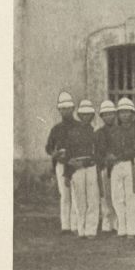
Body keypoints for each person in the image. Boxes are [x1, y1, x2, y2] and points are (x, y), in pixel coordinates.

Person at [104, 97, 135, 238]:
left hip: (129, 164)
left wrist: (118, 156)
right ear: (118, 114)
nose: (125, 115)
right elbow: (108, 147)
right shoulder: (113, 131)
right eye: (122, 112)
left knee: (132, 196)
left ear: (132, 114)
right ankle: (122, 227)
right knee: (117, 196)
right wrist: (109, 156)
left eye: (127, 112)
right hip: (116, 166)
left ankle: (132, 229)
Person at [64, 99, 101, 238]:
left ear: (92, 116)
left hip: (90, 166)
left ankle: (91, 230)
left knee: (93, 198)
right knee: (79, 200)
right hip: (76, 168)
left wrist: (85, 163)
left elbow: (98, 154)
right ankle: (81, 229)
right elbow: (68, 154)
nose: (86, 117)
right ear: (79, 115)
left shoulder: (95, 132)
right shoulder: (72, 133)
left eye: (89, 114)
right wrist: (67, 174)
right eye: (83, 114)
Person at [45, 91, 77, 234]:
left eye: (68, 108)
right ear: (59, 110)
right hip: (61, 164)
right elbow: (48, 147)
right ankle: (66, 225)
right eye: (63, 109)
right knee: (64, 194)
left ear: (73, 109)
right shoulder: (56, 129)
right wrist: (54, 153)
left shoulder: (79, 126)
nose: (66, 111)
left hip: (75, 164)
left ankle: (76, 224)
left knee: (76, 194)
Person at [95, 100, 118, 233]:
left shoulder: (120, 131)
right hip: (104, 167)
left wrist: (115, 158)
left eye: (111, 114)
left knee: (117, 194)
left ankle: (117, 222)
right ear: (102, 116)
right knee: (105, 195)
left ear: (115, 114)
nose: (109, 117)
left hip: (117, 166)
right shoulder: (98, 133)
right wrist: (103, 160)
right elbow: (96, 152)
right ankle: (107, 221)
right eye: (106, 114)